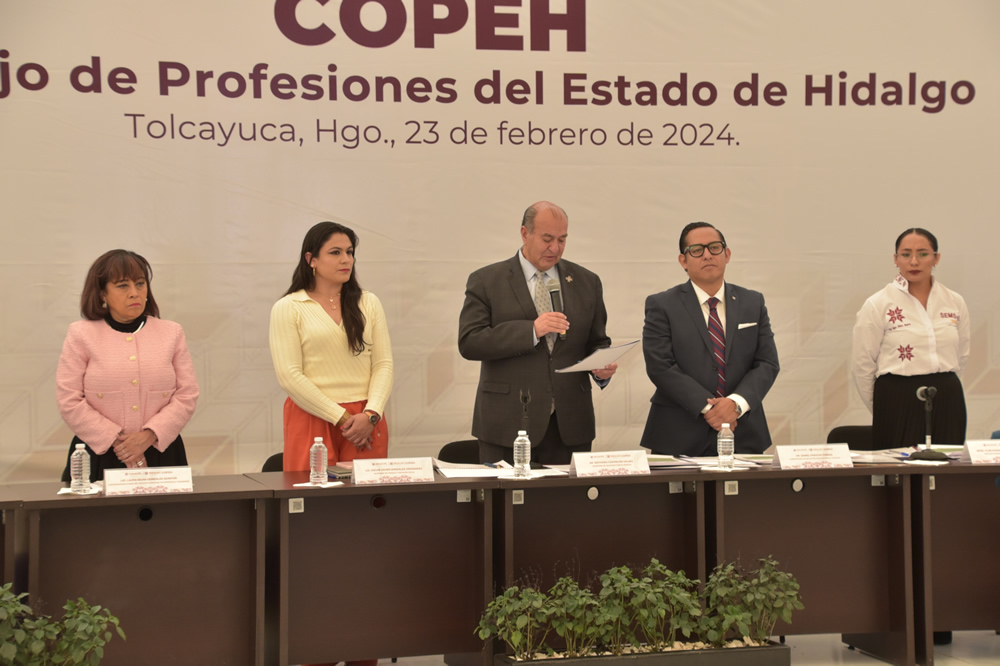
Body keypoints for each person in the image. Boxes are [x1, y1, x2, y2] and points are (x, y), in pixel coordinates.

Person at [458, 201, 617, 465]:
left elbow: (597, 341)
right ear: (525, 233)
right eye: (547, 239)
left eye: (562, 239)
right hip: (507, 424)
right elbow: (470, 342)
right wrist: (531, 331)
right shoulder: (487, 280)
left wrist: (601, 367)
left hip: (569, 426)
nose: (555, 248)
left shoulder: (587, 281)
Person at [56, 250, 199, 482]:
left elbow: (187, 394)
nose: (134, 292)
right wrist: (120, 443)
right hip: (99, 453)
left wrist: (149, 436)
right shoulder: (81, 334)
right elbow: (68, 399)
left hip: (161, 452)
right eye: (123, 286)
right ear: (102, 293)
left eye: (140, 283)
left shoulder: (171, 332)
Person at [640, 222, 779, 456]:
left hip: (743, 429)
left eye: (714, 247)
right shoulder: (662, 305)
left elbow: (767, 362)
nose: (707, 255)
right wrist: (710, 408)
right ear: (683, 261)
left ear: (727, 254)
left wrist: (735, 404)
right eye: (696, 250)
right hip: (678, 433)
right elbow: (660, 366)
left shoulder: (752, 302)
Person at [269, 221, 393, 474]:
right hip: (312, 415)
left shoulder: (368, 302)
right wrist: (342, 418)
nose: (346, 259)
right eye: (335, 252)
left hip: (366, 419)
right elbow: (289, 376)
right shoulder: (289, 307)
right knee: (311, 493)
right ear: (311, 259)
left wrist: (371, 414)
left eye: (350, 252)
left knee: (365, 495)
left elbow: (383, 364)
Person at [852, 228, 969, 449]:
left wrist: (943, 384)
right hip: (897, 398)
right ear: (895, 259)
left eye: (923, 254)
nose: (914, 261)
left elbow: (961, 355)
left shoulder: (954, 301)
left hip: (946, 396)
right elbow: (862, 364)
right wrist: (884, 406)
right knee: (899, 467)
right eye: (906, 254)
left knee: (948, 465)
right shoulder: (878, 304)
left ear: (936, 258)